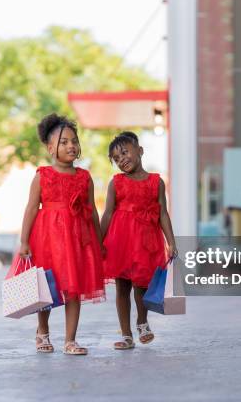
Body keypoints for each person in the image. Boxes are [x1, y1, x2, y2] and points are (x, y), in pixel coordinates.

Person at [18, 113, 105, 355]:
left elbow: (92, 211)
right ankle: (42, 331)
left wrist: (99, 241)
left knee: (74, 288)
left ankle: (70, 339)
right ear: (50, 148)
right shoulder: (42, 176)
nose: (71, 146)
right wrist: (24, 240)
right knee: (46, 287)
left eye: (74, 141)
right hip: (47, 239)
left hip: (77, 239)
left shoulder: (85, 177)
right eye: (64, 142)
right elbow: (32, 207)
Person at [101, 131, 177, 350]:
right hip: (120, 242)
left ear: (140, 151)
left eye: (125, 152)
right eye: (116, 158)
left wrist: (171, 241)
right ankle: (126, 334)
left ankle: (142, 322)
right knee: (122, 287)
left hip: (146, 241)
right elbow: (107, 214)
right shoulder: (116, 183)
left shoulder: (156, 182)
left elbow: (162, 213)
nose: (122, 159)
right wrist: (98, 240)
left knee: (141, 284)